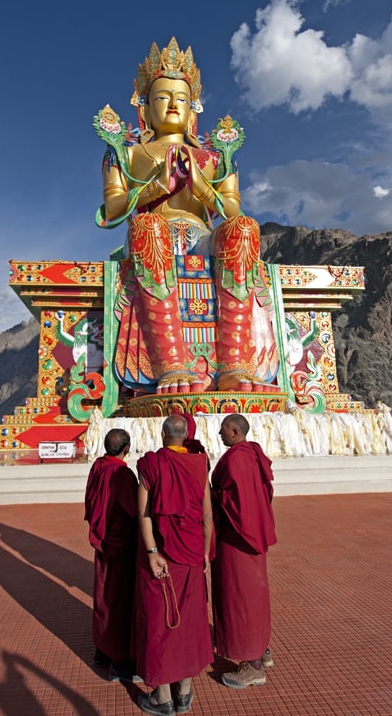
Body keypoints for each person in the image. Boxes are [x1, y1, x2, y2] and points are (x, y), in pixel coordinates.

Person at [94, 38, 279, 395]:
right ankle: (170, 364)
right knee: (147, 225)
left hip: (203, 235)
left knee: (243, 228)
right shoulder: (128, 153)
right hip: (153, 235)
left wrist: (200, 186)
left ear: (194, 109)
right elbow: (112, 211)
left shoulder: (215, 156)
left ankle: (234, 363)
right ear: (145, 109)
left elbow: (230, 208)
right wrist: (153, 188)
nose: (174, 104)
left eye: (182, 98)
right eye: (163, 97)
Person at [135, 414, 213, 715]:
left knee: (162, 620)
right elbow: (207, 516)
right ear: (185, 436)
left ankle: (163, 697)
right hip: (192, 553)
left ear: (162, 433)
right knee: (190, 621)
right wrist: (205, 552)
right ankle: (184, 691)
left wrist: (152, 552)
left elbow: (144, 515)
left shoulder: (151, 465)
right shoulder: (199, 464)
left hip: (164, 553)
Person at [210, 414, 277, 689]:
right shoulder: (253, 454)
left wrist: (208, 495)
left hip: (237, 538)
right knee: (255, 596)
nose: (220, 435)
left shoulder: (236, 459)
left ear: (235, 431)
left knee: (239, 598)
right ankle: (261, 649)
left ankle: (253, 666)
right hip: (254, 536)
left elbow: (231, 500)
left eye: (223, 431)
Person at [84, 428, 140, 682]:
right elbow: (132, 510)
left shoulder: (98, 466)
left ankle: (101, 650)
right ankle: (119, 659)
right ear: (126, 449)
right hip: (120, 545)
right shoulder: (122, 474)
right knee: (119, 599)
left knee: (104, 595)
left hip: (103, 542)